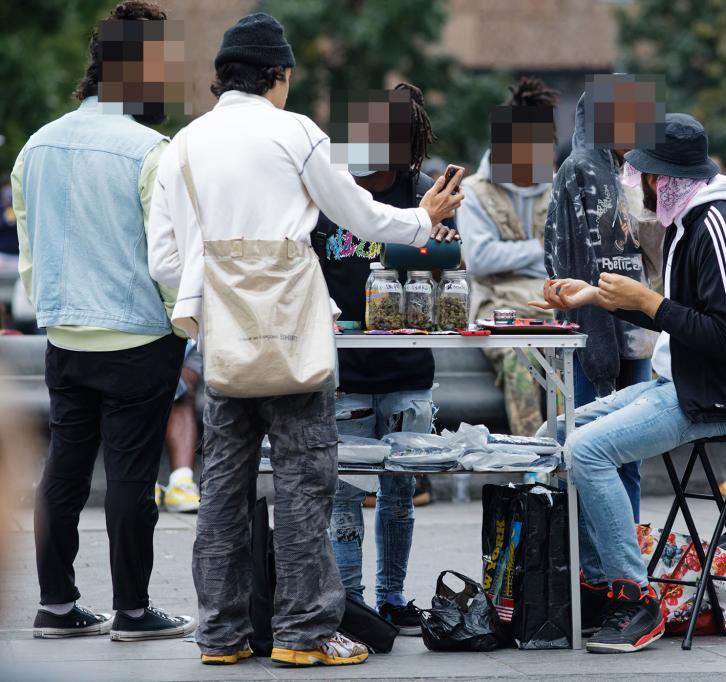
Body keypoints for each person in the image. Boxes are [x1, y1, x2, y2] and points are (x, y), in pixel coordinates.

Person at [147, 13, 463, 667]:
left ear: (222, 76)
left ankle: (222, 635)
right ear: (278, 76)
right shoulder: (295, 134)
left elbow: (164, 262)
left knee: (224, 488)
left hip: (228, 344)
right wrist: (422, 218)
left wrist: (214, 314)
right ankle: (302, 634)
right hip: (296, 336)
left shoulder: (183, 146)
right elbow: (360, 215)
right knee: (304, 484)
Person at [533, 113, 726, 653]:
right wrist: (597, 296)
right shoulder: (690, 223)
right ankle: (595, 583)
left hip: (724, 393)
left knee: (588, 448)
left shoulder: (720, 225)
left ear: (663, 178)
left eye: (644, 176)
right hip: (688, 379)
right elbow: (679, 318)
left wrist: (648, 300)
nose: (639, 188)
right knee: (553, 436)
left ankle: (634, 596)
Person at [14, 0, 195, 641]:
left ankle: (56, 606)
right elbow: (169, 259)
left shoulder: (37, 143)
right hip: (138, 336)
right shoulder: (152, 150)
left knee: (62, 471)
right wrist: (184, 324)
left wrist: (53, 308)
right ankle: (133, 611)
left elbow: (30, 247)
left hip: (65, 333)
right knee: (129, 476)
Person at [314, 82, 456, 635]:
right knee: (344, 499)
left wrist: (441, 245)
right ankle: (352, 607)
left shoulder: (425, 194)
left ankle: (392, 598)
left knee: (398, 496)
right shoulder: (327, 195)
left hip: (408, 373)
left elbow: (450, 277)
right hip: (343, 375)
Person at [545, 75, 664, 523]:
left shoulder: (637, 173)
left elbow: (655, 247)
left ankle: (626, 564)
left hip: (639, 326)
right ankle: (590, 566)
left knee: (629, 454)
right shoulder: (577, 169)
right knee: (586, 450)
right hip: (590, 330)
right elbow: (562, 254)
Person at [460, 77, 559, 435]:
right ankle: (533, 469)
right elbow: (480, 258)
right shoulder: (474, 191)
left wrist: (517, 256)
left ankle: (570, 464)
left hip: (553, 302)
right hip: (498, 307)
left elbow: (565, 257)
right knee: (522, 362)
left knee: (567, 363)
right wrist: (539, 250)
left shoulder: (557, 184)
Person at [154, 340, 202, 513]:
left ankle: (181, 482)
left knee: (182, 388)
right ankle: (142, 481)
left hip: (188, 336)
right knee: (137, 392)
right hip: (137, 335)